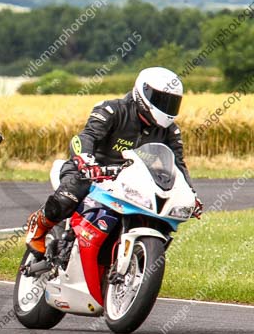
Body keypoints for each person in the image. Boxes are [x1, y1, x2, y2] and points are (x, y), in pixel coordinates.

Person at [25, 66, 203, 257]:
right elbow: (86, 137)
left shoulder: (170, 131)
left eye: (171, 103)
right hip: (92, 171)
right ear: (143, 92)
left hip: (131, 181)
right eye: (162, 100)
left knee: (160, 216)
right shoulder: (112, 110)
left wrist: (191, 194)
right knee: (71, 193)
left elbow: (178, 164)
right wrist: (87, 162)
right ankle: (40, 225)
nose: (166, 107)